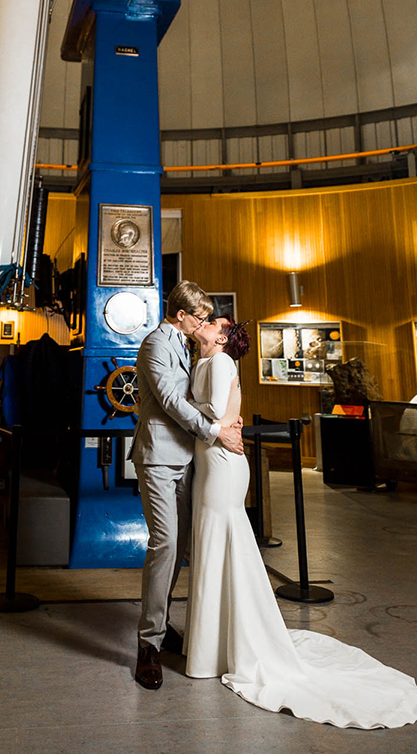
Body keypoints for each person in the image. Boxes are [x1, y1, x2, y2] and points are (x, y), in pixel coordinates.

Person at [185, 316, 417, 729]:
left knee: (222, 540)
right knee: (213, 544)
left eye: (213, 322)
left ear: (223, 338)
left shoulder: (221, 363)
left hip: (222, 462)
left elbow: (207, 413)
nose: (204, 323)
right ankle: (213, 646)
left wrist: (202, 417)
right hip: (211, 457)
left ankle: (225, 646)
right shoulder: (203, 362)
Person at [130, 281, 244, 691]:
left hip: (188, 458)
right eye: (199, 317)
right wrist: (216, 429)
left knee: (180, 548)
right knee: (164, 544)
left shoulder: (186, 346)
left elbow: (195, 396)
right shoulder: (155, 345)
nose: (203, 324)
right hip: (158, 459)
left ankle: (160, 627)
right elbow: (171, 403)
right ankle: (148, 647)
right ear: (180, 316)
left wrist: (228, 418)